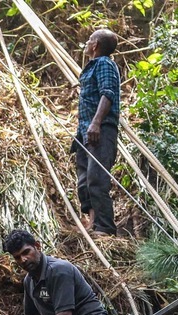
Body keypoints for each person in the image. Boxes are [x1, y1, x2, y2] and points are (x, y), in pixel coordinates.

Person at [74, 29, 120, 235]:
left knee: (97, 179)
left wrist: (96, 123)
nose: (86, 42)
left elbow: (108, 93)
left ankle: (105, 227)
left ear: (95, 46)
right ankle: (93, 222)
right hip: (86, 131)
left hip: (99, 131)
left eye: (89, 39)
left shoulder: (104, 64)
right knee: (84, 181)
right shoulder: (92, 68)